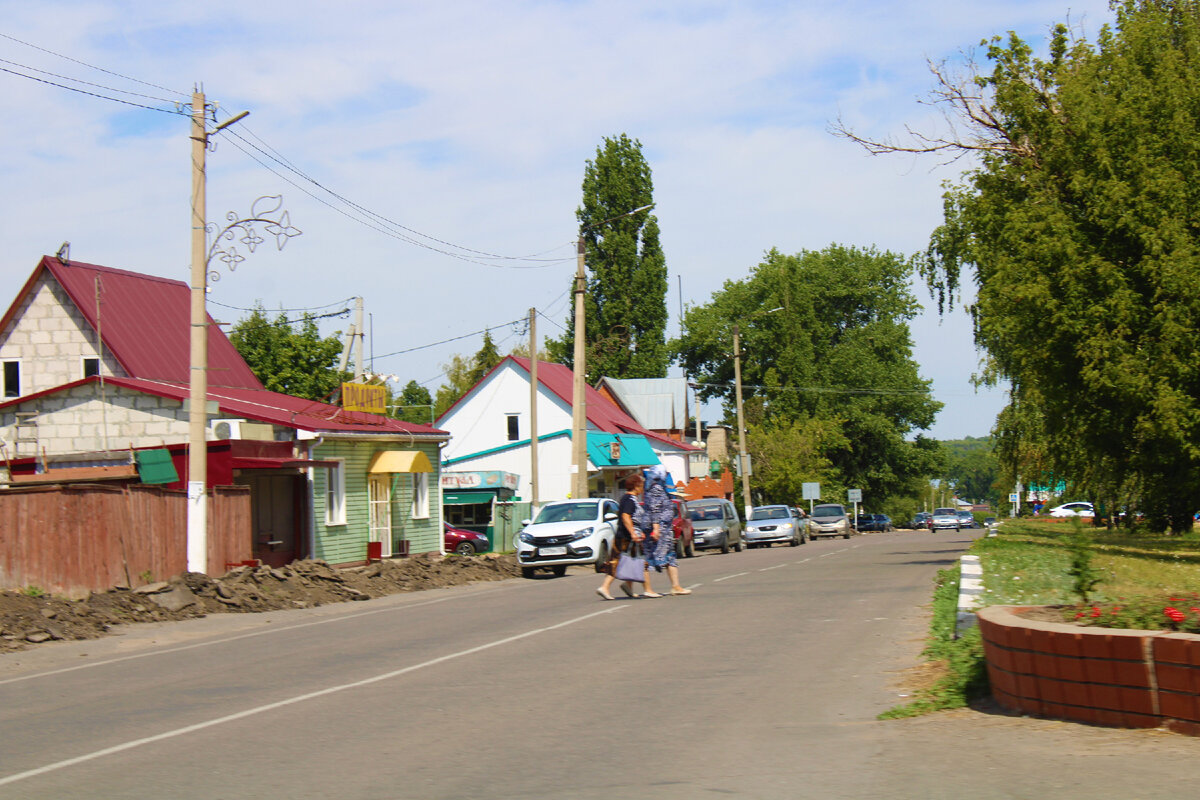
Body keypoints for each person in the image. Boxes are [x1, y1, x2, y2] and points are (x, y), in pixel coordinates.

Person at [638, 465, 691, 596]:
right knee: (648, 558)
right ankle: (647, 589)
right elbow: (654, 510)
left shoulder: (660, 489)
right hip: (657, 529)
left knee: (670, 557)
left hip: (665, 530)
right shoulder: (656, 489)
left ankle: (676, 586)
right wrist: (656, 529)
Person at [596, 474, 643, 600]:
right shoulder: (629, 500)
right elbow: (626, 516)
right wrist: (633, 532)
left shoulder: (629, 499)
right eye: (641, 485)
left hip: (626, 536)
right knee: (617, 562)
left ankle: (628, 587)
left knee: (631, 562)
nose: (642, 488)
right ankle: (605, 587)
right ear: (636, 486)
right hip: (625, 537)